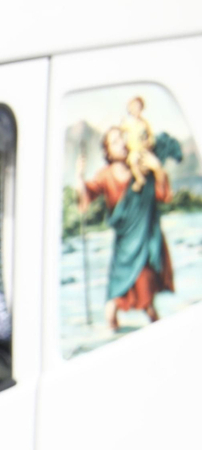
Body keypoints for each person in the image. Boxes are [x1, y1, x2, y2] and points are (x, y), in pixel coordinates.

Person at [78, 125, 174, 331]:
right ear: (108, 151)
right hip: (123, 251)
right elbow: (86, 198)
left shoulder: (141, 170)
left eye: (122, 138)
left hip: (143, 247)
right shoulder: (105, 175)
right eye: (114, 142)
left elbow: (164, 196)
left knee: (148, 306)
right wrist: (79, 177)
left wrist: (157, 170)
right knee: (111, 308)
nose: (121, 143)